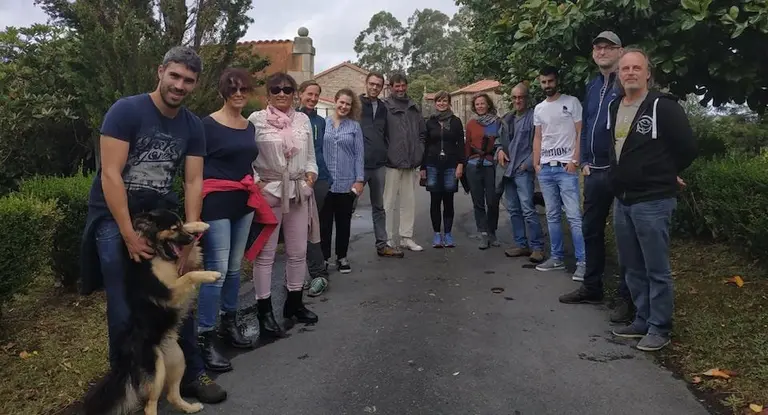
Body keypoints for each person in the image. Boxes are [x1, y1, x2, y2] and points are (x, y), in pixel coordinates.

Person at [78, 46, 226, 403]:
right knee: (124, 301)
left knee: (181, 294)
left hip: (161, 213)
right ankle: (129, 384)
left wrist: (189, 236)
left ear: (195, 84)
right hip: (116, 216)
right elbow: (110, 175)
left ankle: (190, 372)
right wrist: (128, 234)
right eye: (174, 76)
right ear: (161, 72)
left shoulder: (192, 125)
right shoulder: (126, 111)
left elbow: (193, 182)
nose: (179, 85)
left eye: (188, 80)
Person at [608, 48, 697, 351]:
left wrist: (665, 173)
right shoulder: (615, 106)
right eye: (625, 69)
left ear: (648, 73)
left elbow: (687, 147)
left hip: (653, 200)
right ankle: (642, 319)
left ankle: (660, 326)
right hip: (623, 199)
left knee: (655, 267)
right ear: (618, 75)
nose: (630, 73)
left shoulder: (662, 106)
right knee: (631, 265)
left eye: (636, 68)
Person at [558, 31, 635, 323]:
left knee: (625, 236)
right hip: (594, 171)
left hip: (621, 172)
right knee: (591, 230)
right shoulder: (592, 87)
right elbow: (588, 126)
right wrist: (584, 160)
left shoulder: (626, 83)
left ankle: (627, 298)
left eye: (609, 47)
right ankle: (592, 286)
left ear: (620, 50)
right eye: (598, 47)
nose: (602, 51)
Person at [193, 68, 259, 373]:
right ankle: (204, 336)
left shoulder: (248, 126)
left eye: (243, 89)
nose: (238, 93)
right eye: (232, 88)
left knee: (234, 269)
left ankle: (228, 322)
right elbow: (193, 173)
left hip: (243, 203)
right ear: (223, 91)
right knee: (216, 271)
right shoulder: (206, 125)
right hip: (216, 203)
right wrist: (192, 215)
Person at [248, 72, 320, 337]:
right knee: (265, 255)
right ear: (267, 94)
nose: (281, 94)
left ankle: (294, 303)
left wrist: (310, 180)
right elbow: (247, 158)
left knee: (298, 251)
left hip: (299, 192)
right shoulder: (255, 120)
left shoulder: (302, 120)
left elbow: (310, 157)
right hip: (270, 193)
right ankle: (264, 311)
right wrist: (259, 185)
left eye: (287, 90)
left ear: (294, 94)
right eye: (276, 89)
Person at [532, 66, 586, 280]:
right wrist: (536, 163)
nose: (547, 86)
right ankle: (556, 258)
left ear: (557, 81)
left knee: (574, 216)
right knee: (552, 216)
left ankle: (583, 262)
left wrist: (575, 160)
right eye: (544, 82)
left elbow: (581, 132)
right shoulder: (539, 109)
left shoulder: (572, 102)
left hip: (566, 167)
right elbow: (538, 136)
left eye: (550, 81)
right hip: (545, 168)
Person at [496, 83, 546, 262]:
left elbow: (540, 142)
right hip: (508, 171)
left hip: (523, 170)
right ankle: (521, 244)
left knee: (528, 209)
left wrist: (527, 164)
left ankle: (537, 247)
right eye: (514, 97)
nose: (517, 100)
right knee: (514, 210)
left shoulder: (534, 118)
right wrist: (500, 150)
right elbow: (498, 140)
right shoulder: (507, 118)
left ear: (527, 98)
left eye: (521, 97)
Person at [358, 72, 404, 258]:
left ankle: (382, 245)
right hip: (358, 165)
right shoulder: (356, 104)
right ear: (366, 84)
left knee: (379, 207)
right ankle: (338, 253)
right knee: (347, 208)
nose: (374, 87)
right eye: (372, 84)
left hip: (378, 165)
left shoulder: (384, 108)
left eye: (378, 85)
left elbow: (388, 133)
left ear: (382, 87)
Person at [319, 88, 365, 273]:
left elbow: (359, 155)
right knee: (324, 224)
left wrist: (359, 180)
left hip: (346, 183)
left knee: (343, 223)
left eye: (348, 104)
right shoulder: (324, 124)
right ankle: (323, 259)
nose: (344, 106)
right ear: (335, 101)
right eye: (342, 102)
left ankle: (342, 257)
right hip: (326, 182)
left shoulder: (354, 127)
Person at [382, 73, 426, 252]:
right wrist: (387, 153)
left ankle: (406, 237)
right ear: (390, 87)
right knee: (388, 202)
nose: (400, 89)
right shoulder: (384, 106)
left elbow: (422, 133)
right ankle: (388, 239)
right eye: (396, 86)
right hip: (390, 162)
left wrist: (419, 150)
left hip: (411, 161)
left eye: (403, 85)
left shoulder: (414, 107)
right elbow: (380, 133)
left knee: (408, 201)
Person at [298, 80, 332, 295]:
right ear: (300, 94)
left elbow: (325, 151)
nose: (312, 98)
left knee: (311, 227)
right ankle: (298, 275)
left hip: (319, 179)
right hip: (295, 180)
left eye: (316, 95)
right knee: (297, 229)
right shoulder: (291, 119)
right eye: (309, 94)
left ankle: (319, 274)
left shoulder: (321, 121)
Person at [419, 90, 465, 248]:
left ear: (449, 103)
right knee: (435, 200)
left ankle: (449, 234)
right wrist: (423, 166)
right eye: (439, 101)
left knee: (449, 201)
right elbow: (425, 145)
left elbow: (461, 144)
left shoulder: (456, 121)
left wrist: (460, 164)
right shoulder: (429, 122)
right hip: (432, 165)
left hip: (451, 165)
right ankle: (437, 234)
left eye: (444, 101)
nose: (441, 103)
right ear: (435, 103)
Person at [464, 93, 505, 250]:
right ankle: (483, 233)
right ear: (474, 106)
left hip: (491, 165)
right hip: (473, 165)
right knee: (478, 202)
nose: (480, 106)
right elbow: (467, 145)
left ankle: (492, 231)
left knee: (492, 200)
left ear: (488, 105)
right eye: (477, 104)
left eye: (483, 103)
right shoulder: (471, 124)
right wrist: (464, 164)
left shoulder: (497, 122)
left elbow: (501, 142)